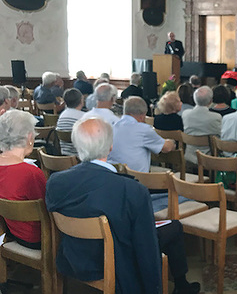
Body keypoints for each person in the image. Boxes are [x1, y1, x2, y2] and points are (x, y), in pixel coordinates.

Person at [46, 118, 200, 294]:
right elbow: (146, 249)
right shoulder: (132, 190)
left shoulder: (55, 182)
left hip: (73, 257)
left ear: (76, 146)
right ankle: (181, 285)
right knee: (172, 227)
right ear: (111, 146)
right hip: (117, 263)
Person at [0, 110, 46, 249]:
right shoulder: (31, 173)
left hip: (11, 231)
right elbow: (47, 209)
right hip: (38, 238)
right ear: (29, 137)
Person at [108, 97, 175, 173]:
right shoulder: (144, 129)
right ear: (142, 115)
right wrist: (171, 142)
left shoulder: (111, 127)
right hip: (136, 179)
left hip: (114, 175)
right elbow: (167, 148)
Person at [182, 86, 222, 162]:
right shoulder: (216, 117)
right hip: (208, 157)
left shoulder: (185, 114)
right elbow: (220, 135)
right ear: (211, 101)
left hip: (189, 155)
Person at [56, 88, 85, 155]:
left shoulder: (62, 116)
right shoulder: (84, 117)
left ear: (65, 102)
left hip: (64, 155)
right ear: (81, 101)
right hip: (80, 156)